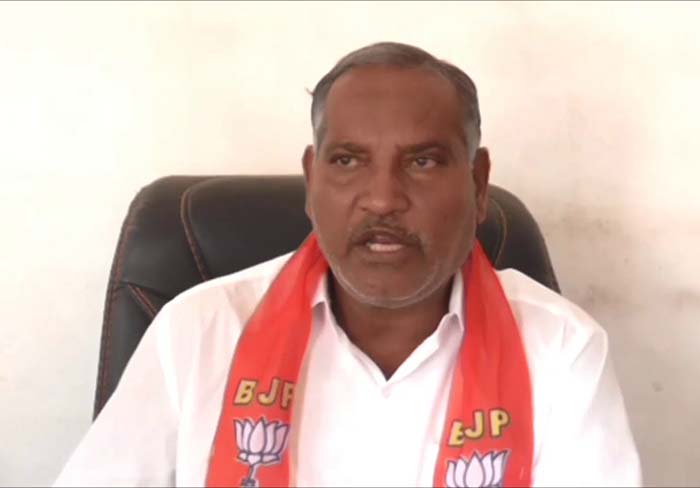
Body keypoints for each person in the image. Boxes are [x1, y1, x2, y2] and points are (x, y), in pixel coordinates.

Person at [55, 42, 641, 487]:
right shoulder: (200, 331)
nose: (382, 198)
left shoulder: (560, 349)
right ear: (312, 181)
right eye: (348, 161)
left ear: (478, 184)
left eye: (423, 162)